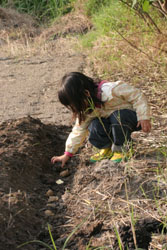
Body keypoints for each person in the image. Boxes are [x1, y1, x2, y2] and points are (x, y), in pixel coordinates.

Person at [51, 72, 151, 167]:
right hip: (112, 123)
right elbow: (78, 131)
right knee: (94, 124)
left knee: (118, 116)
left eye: (75, 104)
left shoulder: (111, 90)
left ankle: (122, 149)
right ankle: (106, 148)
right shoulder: (87, 110)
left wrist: (144, 117)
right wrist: (67, 154)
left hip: (129, 118)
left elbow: (137, 96)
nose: (76, 109)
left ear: (86, 93)